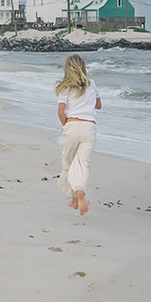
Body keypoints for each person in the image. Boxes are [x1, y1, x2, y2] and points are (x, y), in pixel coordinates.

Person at [54, 54, 100, 215]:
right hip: (89, 127)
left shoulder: (65, 87)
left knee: (68, 163)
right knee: (82, 163)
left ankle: (74, 196)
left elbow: (60, 111)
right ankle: (78, 192)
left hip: (72, 125)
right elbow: (98, 105)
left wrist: (66, 125)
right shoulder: (91, 84)